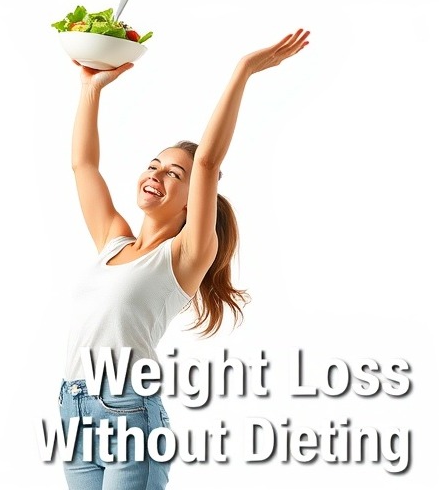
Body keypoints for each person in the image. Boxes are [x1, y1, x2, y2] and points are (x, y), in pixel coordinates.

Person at [58, 29, 310, 489]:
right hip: (74, 410)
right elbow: (84, 165)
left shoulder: (186, 255)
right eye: (153, 165)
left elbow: (209, 162)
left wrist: (244, 71)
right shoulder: (114, 241)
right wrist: (90, 88)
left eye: (174, 174)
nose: (156, 174)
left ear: (192, 200)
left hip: (130, 411)